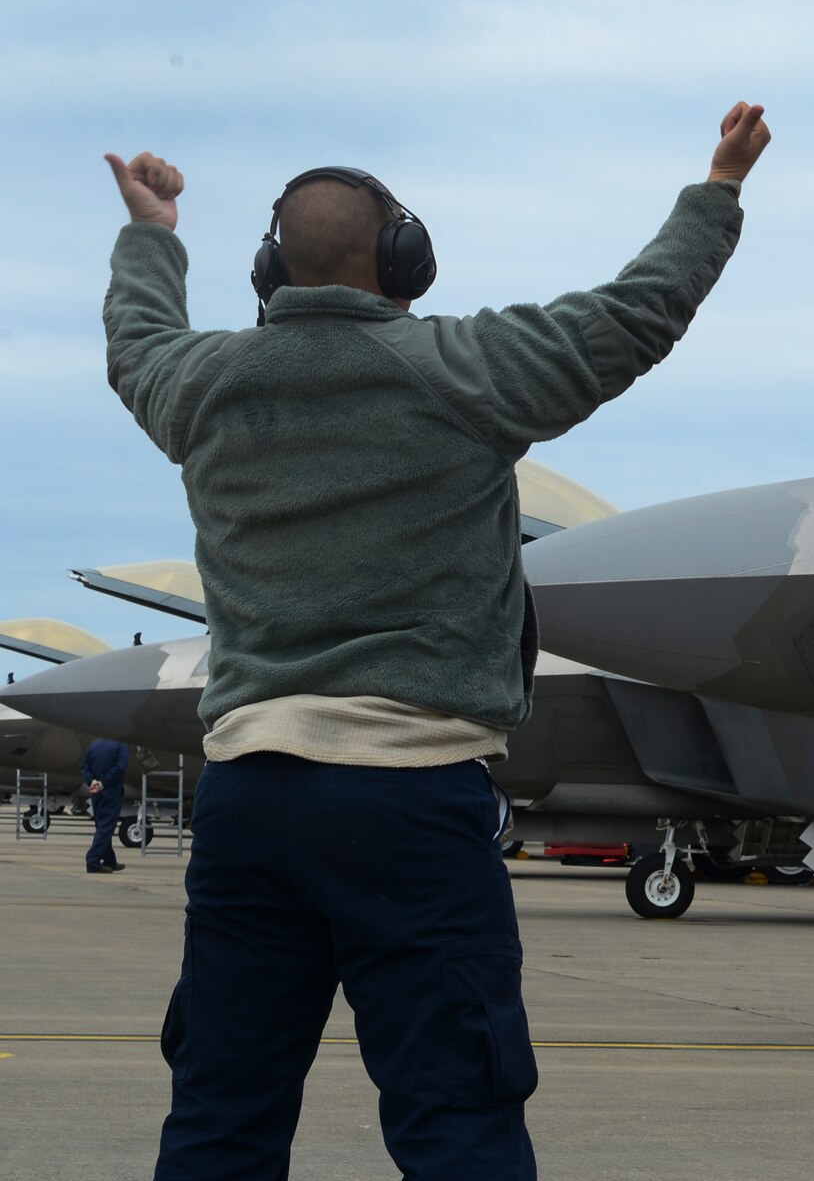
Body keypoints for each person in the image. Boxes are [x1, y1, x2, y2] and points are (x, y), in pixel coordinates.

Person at [102, 101, 772, 1181]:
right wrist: (717, 190)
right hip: (407, 797)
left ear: (273, 274)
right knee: (455, 1115)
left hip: (247, 800)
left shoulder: (202, 385)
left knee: (222, 1112)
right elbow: (637, 312)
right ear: (405, 259)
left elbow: (136, 341)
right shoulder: (467, 366)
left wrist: (152, 232)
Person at [81, 737, 130, 873]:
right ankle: (93, 861)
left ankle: (110, 861)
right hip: (111, 791)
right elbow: (120, 767)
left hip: (96, 791)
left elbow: (85, 767)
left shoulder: (94, 744)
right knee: (106, 827)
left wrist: (92, 781)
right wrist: (104, 783)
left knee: (101, 826)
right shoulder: (121, 745)